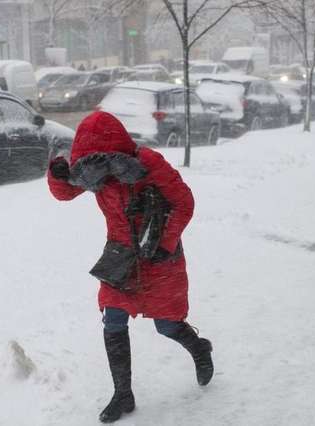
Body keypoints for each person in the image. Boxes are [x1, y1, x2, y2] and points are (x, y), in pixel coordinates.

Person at [47, 111, 214, 423]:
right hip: (120, 255)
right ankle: (123, 393)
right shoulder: (93, 172)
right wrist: (57, 174)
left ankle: (200, 349)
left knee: (166, 325)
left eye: (104, 164)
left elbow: (184, 202)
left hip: (159, 254)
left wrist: (165, 243)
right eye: (91, 166)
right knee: (113, 319)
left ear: (116, 153)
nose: (100, 176)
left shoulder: (148, 163)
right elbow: (66, 192)